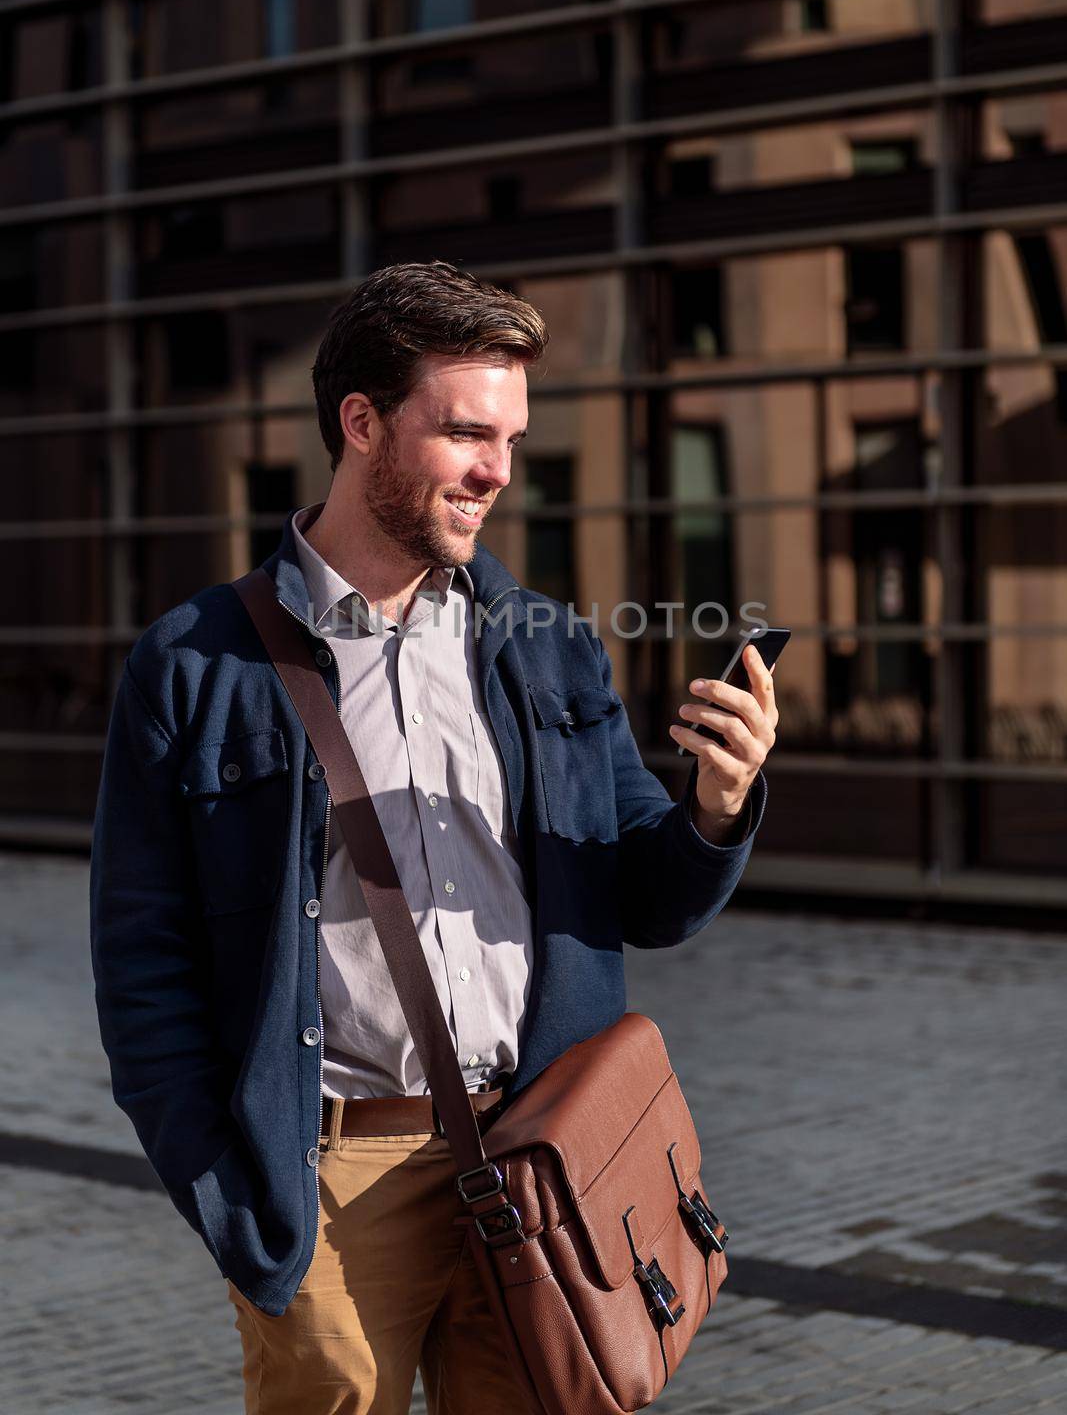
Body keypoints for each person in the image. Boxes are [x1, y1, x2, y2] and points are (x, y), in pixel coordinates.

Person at [90, 260, 776, 1415]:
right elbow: (140, 962)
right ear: (360, 424)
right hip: (329, 1186)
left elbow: (645, 898)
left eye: (507, 436)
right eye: (464, 432)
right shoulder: (195, 666)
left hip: (540, 1162)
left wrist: (715, 808)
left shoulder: (546, 646)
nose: (497, 470)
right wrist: (237, 1199)